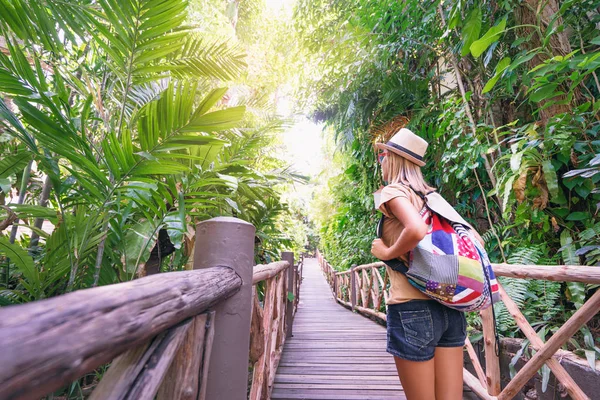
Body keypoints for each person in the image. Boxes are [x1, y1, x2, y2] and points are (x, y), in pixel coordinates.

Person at [371, 128, 467, 400]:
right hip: (450, 307)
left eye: (382, 156)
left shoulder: (393, 192)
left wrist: (387, 251)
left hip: (412, 308)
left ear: (392, 158)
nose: (381, 162)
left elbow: (414, 229)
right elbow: (476, 240)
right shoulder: (433, 198)